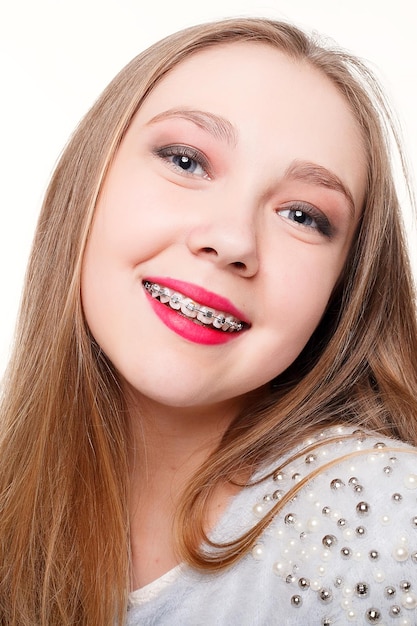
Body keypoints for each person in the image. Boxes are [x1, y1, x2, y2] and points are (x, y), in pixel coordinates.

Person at [0, 16, 417, 626]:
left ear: (343, 290)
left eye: (302, 215)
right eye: (186, 160)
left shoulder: (383, 521)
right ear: (88, 182)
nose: (230, 240)